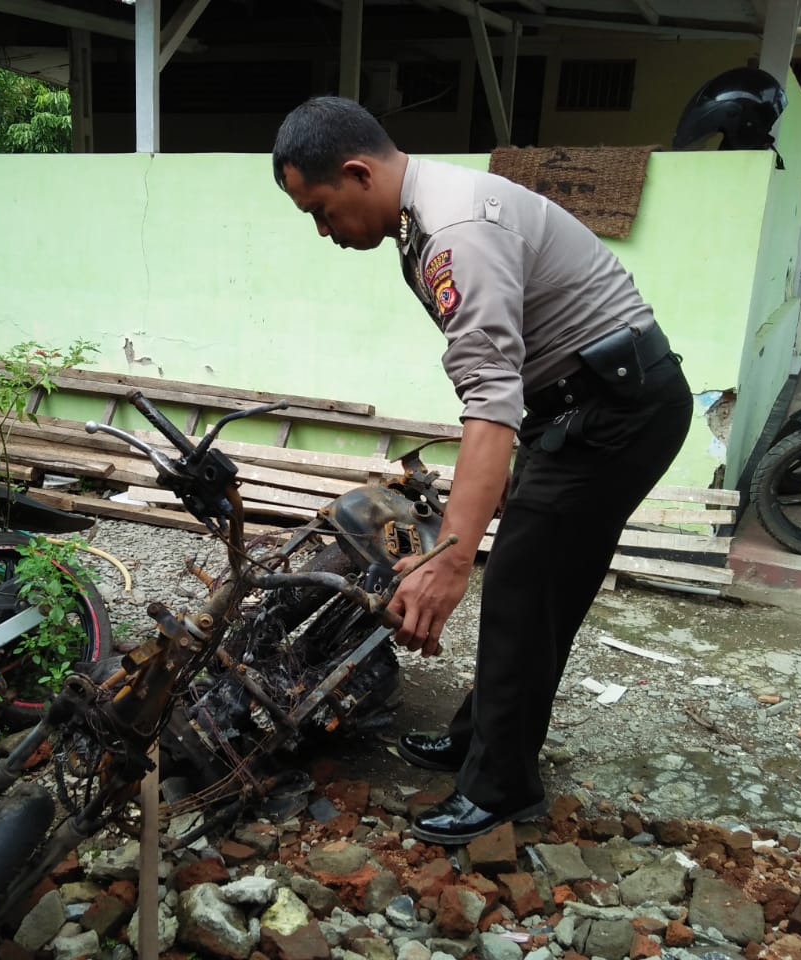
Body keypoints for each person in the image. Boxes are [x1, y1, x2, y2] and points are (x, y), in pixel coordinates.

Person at [271, 96, 692, 844]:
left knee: (523, 595)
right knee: (532, 589)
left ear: (358, 172)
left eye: (322, 210)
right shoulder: (425, 213)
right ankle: (481, 738)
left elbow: (489, 404)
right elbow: (501, 383)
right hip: (576, 407)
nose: (323, 231)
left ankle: (503, 789)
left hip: (614, 414)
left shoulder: (455, 232)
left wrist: (447, 559)